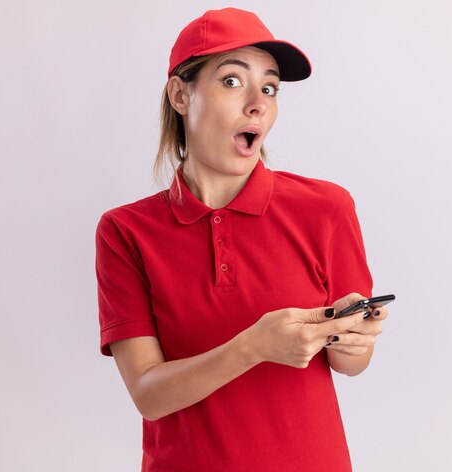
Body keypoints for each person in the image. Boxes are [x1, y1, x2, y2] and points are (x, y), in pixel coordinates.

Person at [95, 7, 389, 472]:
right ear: (180, 95)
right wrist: (253, 346)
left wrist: (356, 344)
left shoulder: (327, 208)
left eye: (269, 87)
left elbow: (349, 362)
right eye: (232, 81)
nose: (258, 103)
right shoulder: (125, 232)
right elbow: (149, 395)